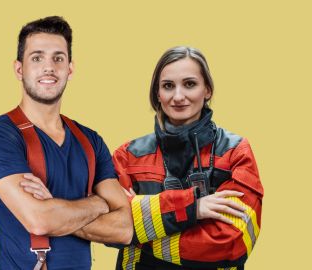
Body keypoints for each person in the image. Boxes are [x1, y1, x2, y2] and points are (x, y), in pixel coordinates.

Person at [0, 16, 133, 270]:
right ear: (19, 69)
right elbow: (40, 220)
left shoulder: (91, 140)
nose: (49, 67)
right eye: (37, 57)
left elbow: (124, 229)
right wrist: (99, 203)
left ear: (69, 69)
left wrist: (56, 208)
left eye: (58, 58)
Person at [111, 46, 264, 269]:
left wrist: (139, 233)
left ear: (208, 90)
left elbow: (232, 242)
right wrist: (194, 208)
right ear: (157, 93)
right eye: (168, 86)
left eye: (190, 84)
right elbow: (109, 225)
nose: (178, 96)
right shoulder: (128, 156)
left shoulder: (236, 151)